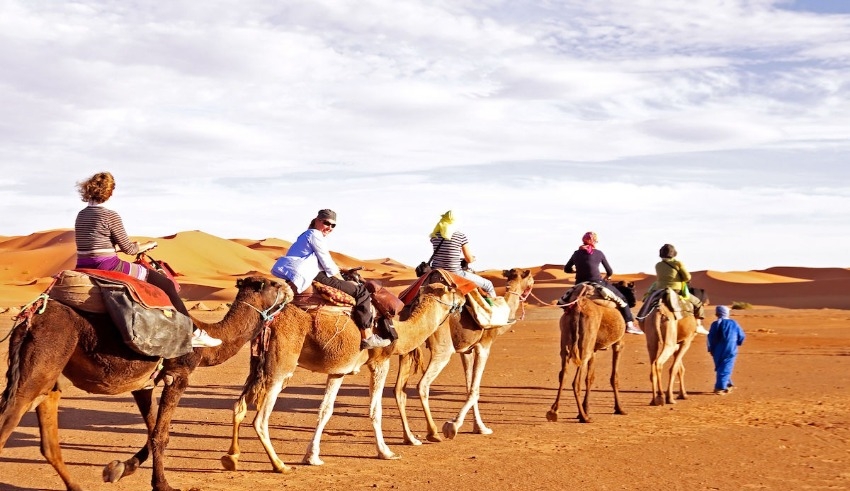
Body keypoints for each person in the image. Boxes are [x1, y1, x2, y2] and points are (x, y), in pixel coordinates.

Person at [74, 171, 221, 348]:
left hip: (83, 264)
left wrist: (125, 246)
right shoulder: (110, 215)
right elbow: (129, 249)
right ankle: (194, 333)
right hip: (108, 265)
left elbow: (98, 244)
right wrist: (147, 245)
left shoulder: (82, 215)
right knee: (165, 284)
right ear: (109, 192)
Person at [271, 209, 390, 350]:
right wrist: (343, 280)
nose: (329, 227)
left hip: (303, 273)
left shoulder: (306, 235)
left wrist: (343, 269)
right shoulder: (315, 234)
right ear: (317, 220)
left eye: (333, 225)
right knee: (361, 292)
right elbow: (326, 262)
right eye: (326, 223)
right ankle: (368, 336)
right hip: (310, 274)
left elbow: (319, 260)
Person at [564, 232, 642, 335]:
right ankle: (629, 325)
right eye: (596, 240)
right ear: (594, 241)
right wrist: (607, 277)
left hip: (580, 283)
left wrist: (576, 270)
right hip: (597, 281)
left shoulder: (576, 253)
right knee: (622, 299)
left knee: (565, 301)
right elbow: (609, 270)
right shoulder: (599, 253)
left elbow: (566, 269)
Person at [428, 210, 496, 297]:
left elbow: (443, 253)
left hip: (436, 273)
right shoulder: (460, 236)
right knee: (488, 285)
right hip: (455, 273)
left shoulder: (434, 236)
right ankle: (492, 308)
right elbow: (469, 259)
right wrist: (472, 258)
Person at [648, 243, 708, 334]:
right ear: (673, 254)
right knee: (698, 303)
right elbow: (687, 277)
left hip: (659, 290)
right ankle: (698, 325)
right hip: (676, 290)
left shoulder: (658, 265)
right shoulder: (678, 263)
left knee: (648, 300)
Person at [707, 305, 745, 395]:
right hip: (730, 349)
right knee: (725, 368)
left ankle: (728, 384)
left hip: (716, 350)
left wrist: (710, 349)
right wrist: (738, 343)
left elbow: (710, 338)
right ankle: (720, 388)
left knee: (721, 367)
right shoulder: (733, 323)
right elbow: (741, 336)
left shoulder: (714, 324)